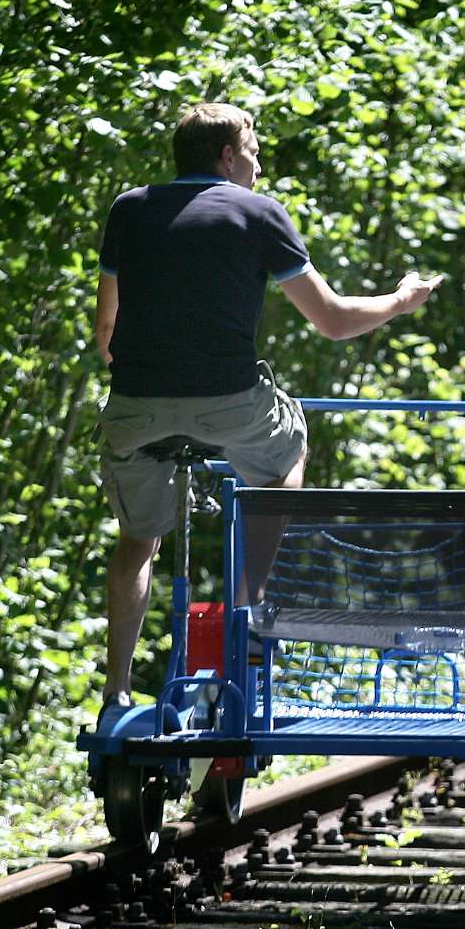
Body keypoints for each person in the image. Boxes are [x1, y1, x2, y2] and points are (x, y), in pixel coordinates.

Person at [95, 102, 440, 709]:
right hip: (229, 402)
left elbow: (106, 333)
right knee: (290, 448)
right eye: (252, 150)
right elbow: (331, 321)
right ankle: (246, 607)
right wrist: (399, 300)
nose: (258, 163)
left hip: (135, 408)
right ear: (226, 155)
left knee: (135, 542)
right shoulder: (258, 213)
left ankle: (117, 689)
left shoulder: (130, 208)